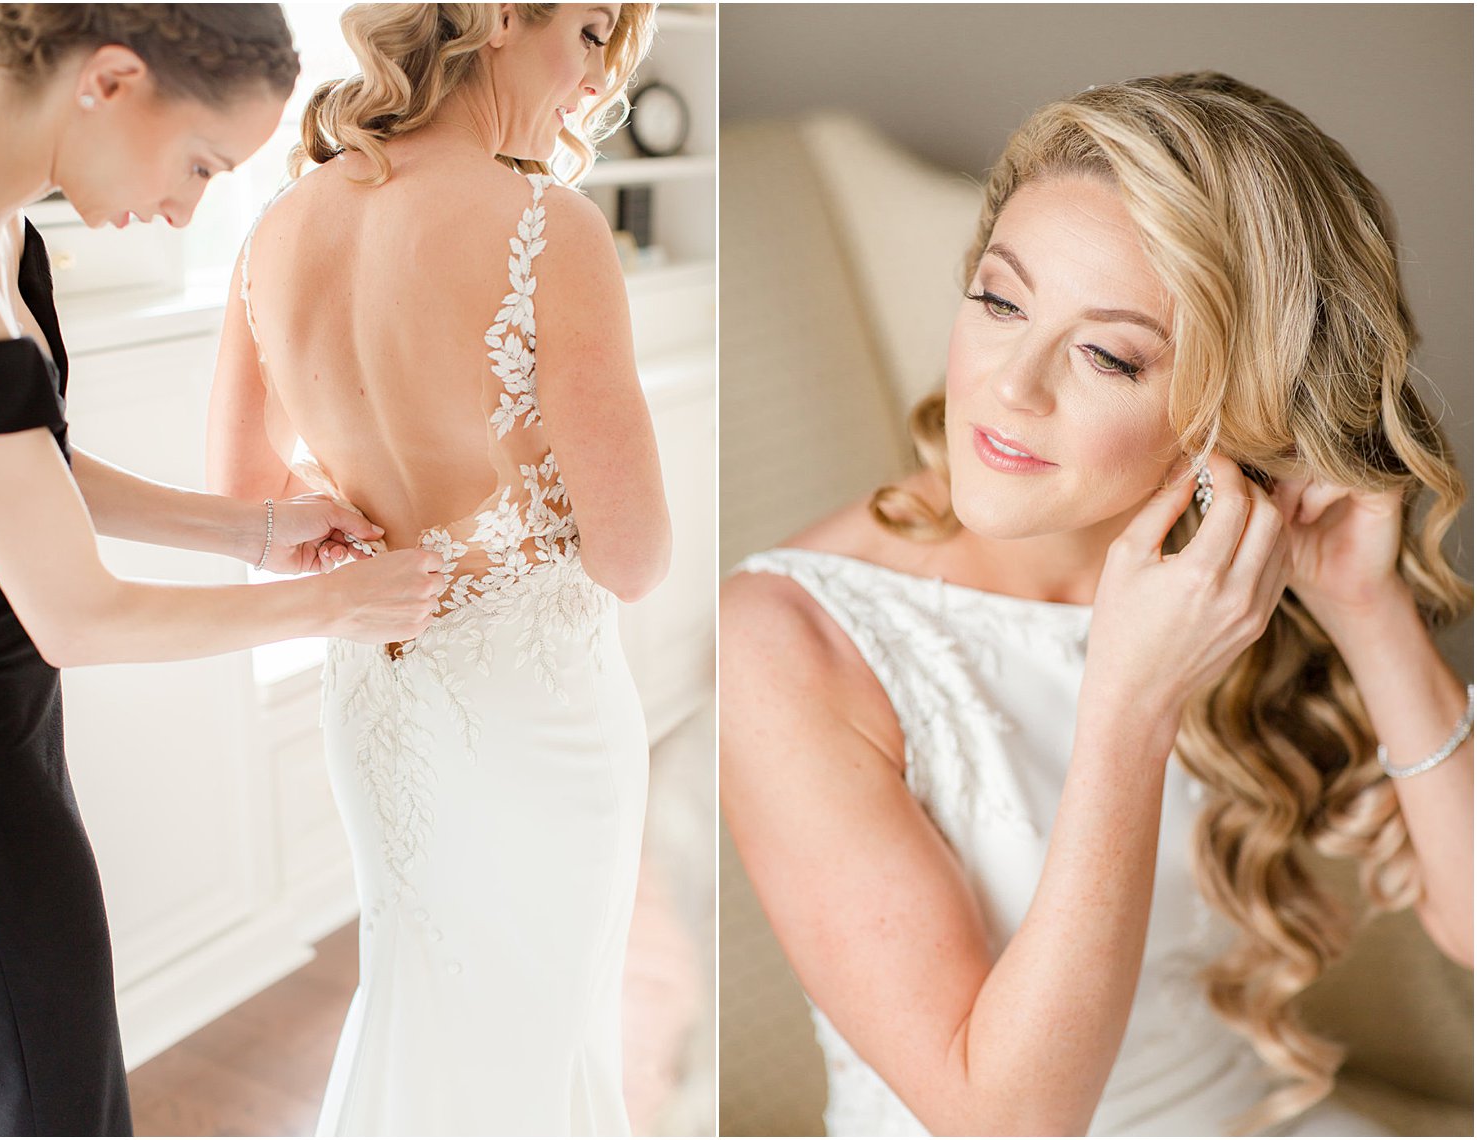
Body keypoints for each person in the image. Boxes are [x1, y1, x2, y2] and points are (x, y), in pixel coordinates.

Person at [722, 72, 1472, 1138]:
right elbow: (1005, 1122)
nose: (1009, 384)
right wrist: (1128, 704)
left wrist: (1365, 609)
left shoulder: (1223, 569)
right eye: (997, 299)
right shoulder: (783, 639)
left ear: (1236, 407)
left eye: (1106, 353)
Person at [0, 5, 453, 1135]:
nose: (182, 210)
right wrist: (330, 603)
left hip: (6, 730)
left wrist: (249, 529)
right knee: (48, 1100)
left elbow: (25, 471)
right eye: (198, 166)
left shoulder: (7, 237)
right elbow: (75, 617)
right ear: (113, 79)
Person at [205, 4, 669, 1134]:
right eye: (593, 29)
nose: (593, 75)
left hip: (378, 700)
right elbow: (635, 554)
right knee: (535, 1026)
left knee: (420, 990)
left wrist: (371, 521)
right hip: (540, 716)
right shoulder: (547, 229)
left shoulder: (275, 224)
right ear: (503, 14)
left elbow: (242, 506)